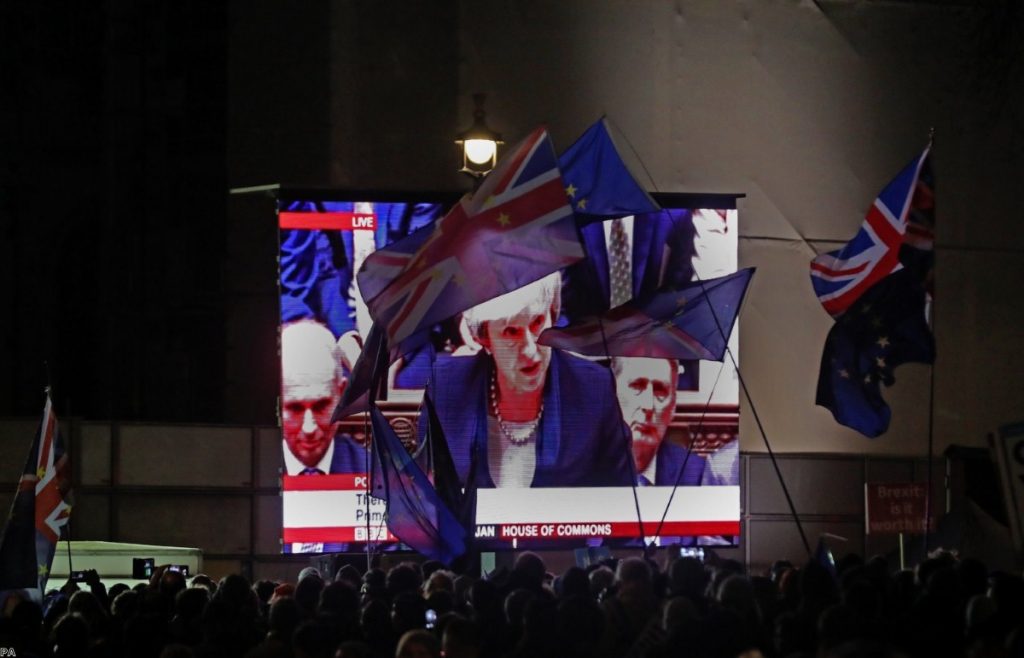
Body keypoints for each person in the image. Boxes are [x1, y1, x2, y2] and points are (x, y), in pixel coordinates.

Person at [424, 273, 634, 488]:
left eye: (537, 322)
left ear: (552, 314)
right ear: (484, 338)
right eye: (511, 332)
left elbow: (622, 500)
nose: (530, 349)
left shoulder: (593, 389)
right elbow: (421, 498)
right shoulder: (445, 387)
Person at [280, 319, 366, 475]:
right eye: (295, 408)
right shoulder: (247, 471)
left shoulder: (379, 474)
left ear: (342, 395)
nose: (309, 428)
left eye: (321, 406)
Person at [611, 357, 705, 486]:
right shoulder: (586, 466)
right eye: (637, 386)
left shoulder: (695, 474)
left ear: (673, 407)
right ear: (612, 394)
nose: (648, 405)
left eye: (660, 391)